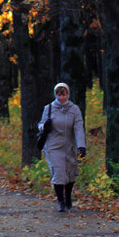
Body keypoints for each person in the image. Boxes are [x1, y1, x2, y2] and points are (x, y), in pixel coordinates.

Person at [38, 82, 86, 212]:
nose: (61, 98)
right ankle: (60, 201)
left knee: (70, 173)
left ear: (68, 94)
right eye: (59, 95)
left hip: (70, 145)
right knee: (58, 172)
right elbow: (40, 125)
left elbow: (78, 128)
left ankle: (68, 197)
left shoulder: (74, 109)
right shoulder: (48, 108)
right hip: (53, 146)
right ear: (55, 95)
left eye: (63, 95)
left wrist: (81, 145)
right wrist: (45, 126)